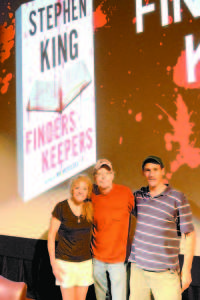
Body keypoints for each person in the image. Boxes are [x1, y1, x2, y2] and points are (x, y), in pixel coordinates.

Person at [129, 155, 196, 300]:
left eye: (155, 169)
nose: (151, 174)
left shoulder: (177, 198)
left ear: (162, 171)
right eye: (148, 170)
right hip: (138, 269)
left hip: (165, 272)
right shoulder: (138, 197)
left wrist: (187, 270)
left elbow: (189, 234)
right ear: (143, 173)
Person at [91, 159, 134, 300]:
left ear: (113, 175)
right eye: (99, 173)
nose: (103, 176)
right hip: (97, 258)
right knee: (100, 296)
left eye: (106, 173)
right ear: (95, 178)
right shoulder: (91, 194)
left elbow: (142, 213)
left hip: (118, 259)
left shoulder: (125, 193)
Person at [47, 174, 94, 300]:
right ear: (72, 189)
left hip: (85, 263)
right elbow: (51, 236)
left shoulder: (91, 208)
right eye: (77, 188)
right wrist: (53, 264)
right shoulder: (61, 207)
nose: (80, 191)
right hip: (65, 263)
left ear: (88, 191)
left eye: (84, 189)